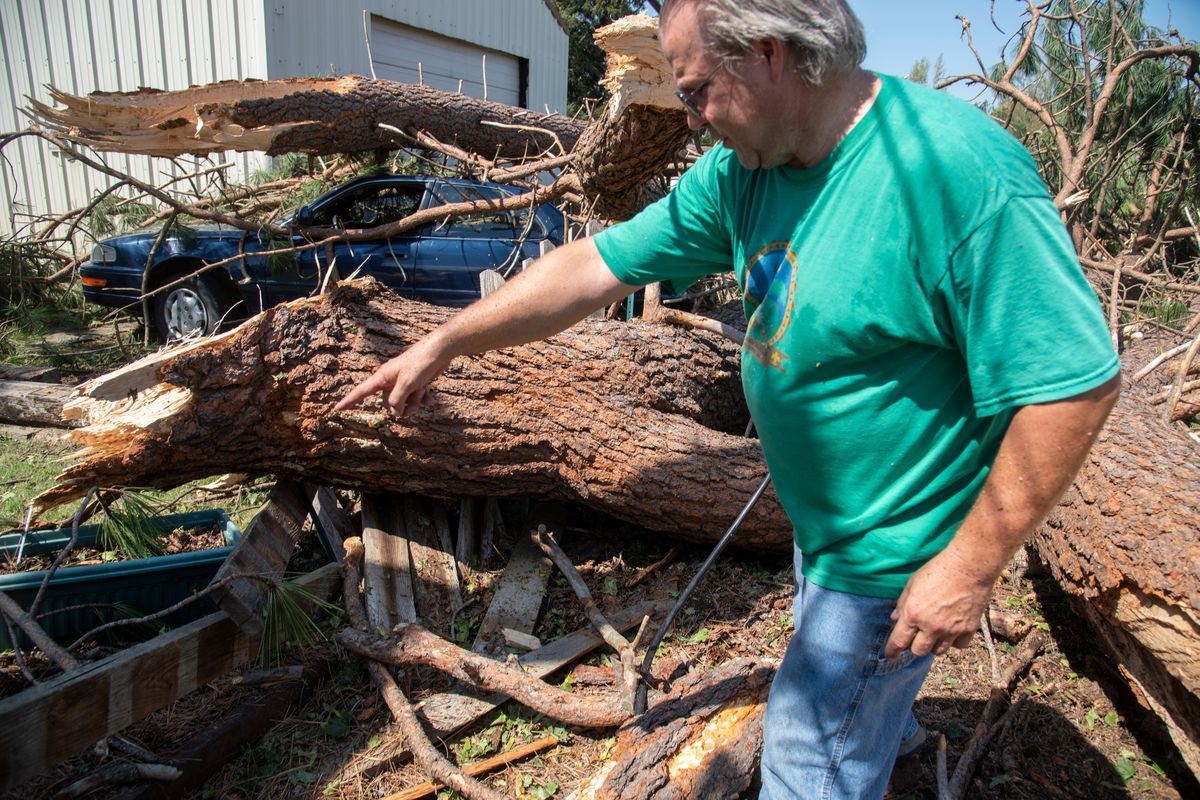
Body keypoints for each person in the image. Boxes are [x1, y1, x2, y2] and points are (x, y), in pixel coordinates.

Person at [336, 0, 1121, 797]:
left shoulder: (953, 176)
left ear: (770, 56)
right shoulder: (747, 172)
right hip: (828, 528)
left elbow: (1074, 384)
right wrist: (447, 340)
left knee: (804, 765)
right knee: (858, 712)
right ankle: (883, 739)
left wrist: (968, 566)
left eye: (695, 91)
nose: (692, 118)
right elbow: (595, 267)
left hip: (893, 550)